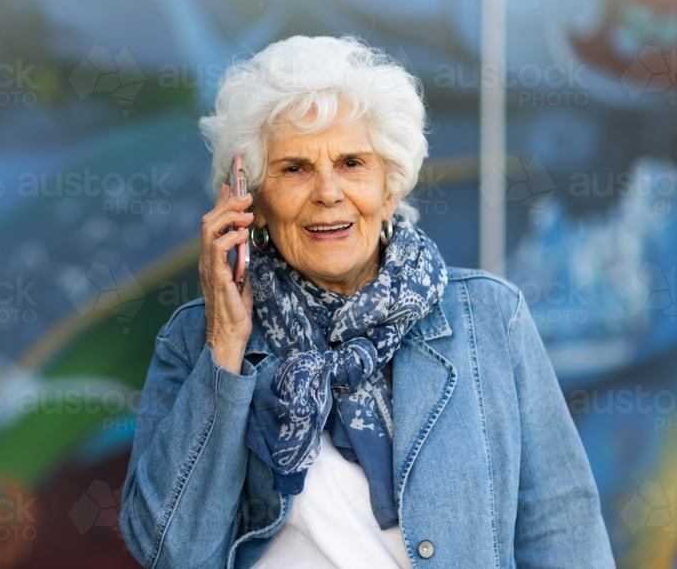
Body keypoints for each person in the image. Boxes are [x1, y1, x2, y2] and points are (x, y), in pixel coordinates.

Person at [118, 35, 615, 568]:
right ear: (252, 202)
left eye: (352, 162)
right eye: (294, 168)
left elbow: (563, 529)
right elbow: (167, 551)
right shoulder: (197, 339)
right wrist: (225, 349)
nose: (328, 191)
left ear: (391, 188)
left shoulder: (490, 317)